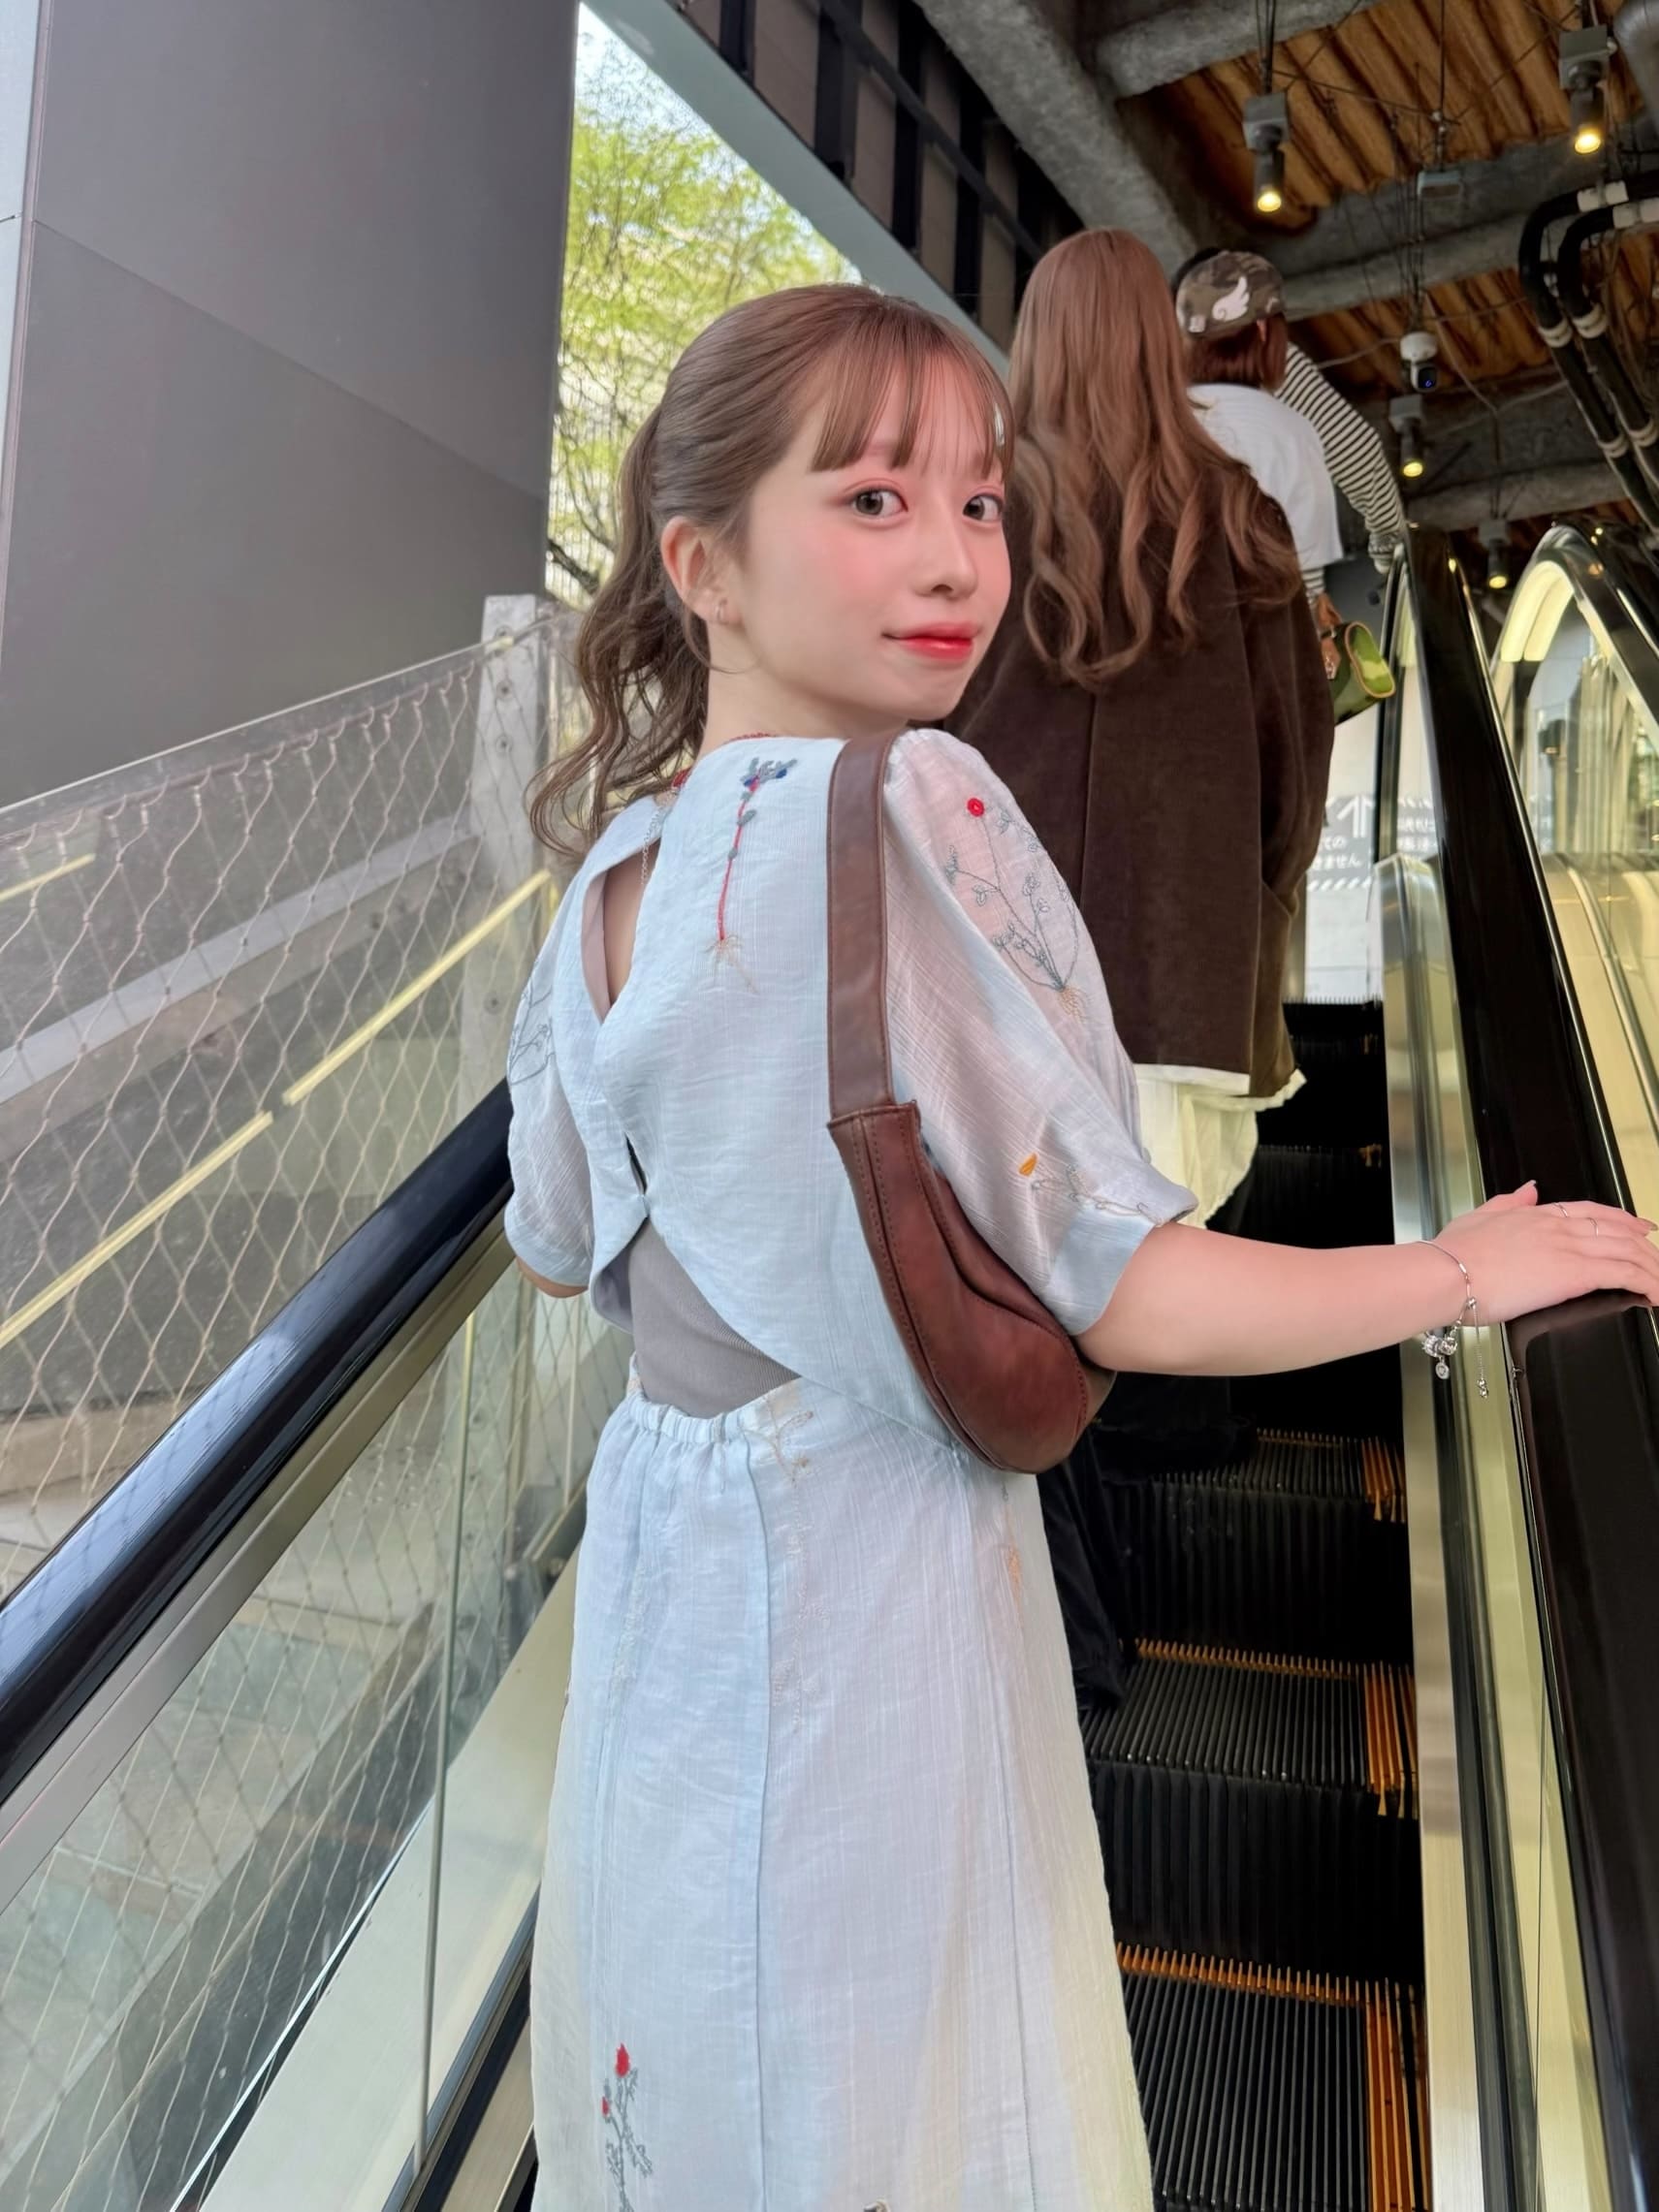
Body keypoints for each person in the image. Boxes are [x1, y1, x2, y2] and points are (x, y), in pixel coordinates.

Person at [502, 282, 1656, 2209]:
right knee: (908, 2074)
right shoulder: (915, 806)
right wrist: (1461, 1271)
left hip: (668, 1561)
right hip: (871, 1576)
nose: (956, 558)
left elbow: (557, 1242)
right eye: (873, 501)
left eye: (978, 500)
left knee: (703, 2030)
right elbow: (1126, 1280)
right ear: (702, 563)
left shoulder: (613, 872)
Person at [952, 230, 1332, 1525]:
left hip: (992, 970)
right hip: (1183, 974)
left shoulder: (980, 518)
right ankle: (1161, 1494)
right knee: (1166, 1248)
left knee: (1002, 1263)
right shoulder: (1241, 518)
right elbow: (1292, 768)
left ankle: (1045, 1536)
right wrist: (1253, 913)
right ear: (1158, 348)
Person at [1171, 246, 1407, 574]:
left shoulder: (1153, 388)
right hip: (1267, 580)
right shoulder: (1261, 360)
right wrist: (1391, 552)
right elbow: (1358, 453)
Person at [1176, 248, 1344, 603]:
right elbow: (1309, 576)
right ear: (1264, 330)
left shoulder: (1158, 422)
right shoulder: (1292, 434)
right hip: (1265, 629)